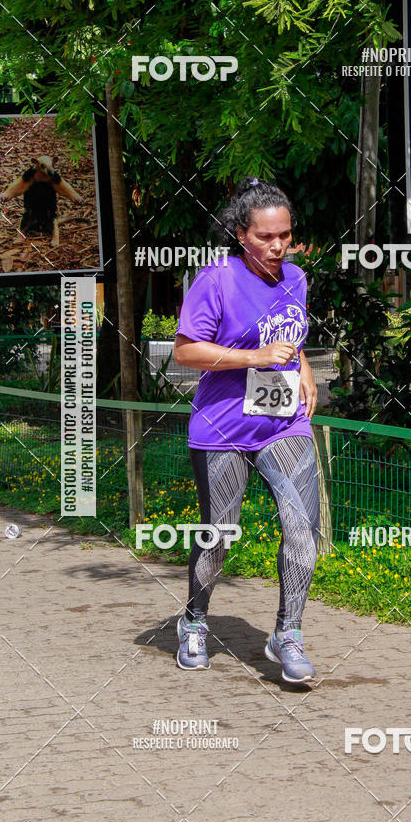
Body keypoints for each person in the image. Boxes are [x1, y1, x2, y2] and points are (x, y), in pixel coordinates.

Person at [173, 176, 320, 684]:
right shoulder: (215, 280)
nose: (278, 246)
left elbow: (290, 337)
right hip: (222, 428)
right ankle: (193, 621)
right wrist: (252, 357)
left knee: (303, 527)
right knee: (220, 534)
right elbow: (186, 351)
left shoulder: (296, 279)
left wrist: (302, 369)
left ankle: (288, 632)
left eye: (285, 235)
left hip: (282, 423)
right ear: (240, 233)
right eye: (266, 237)